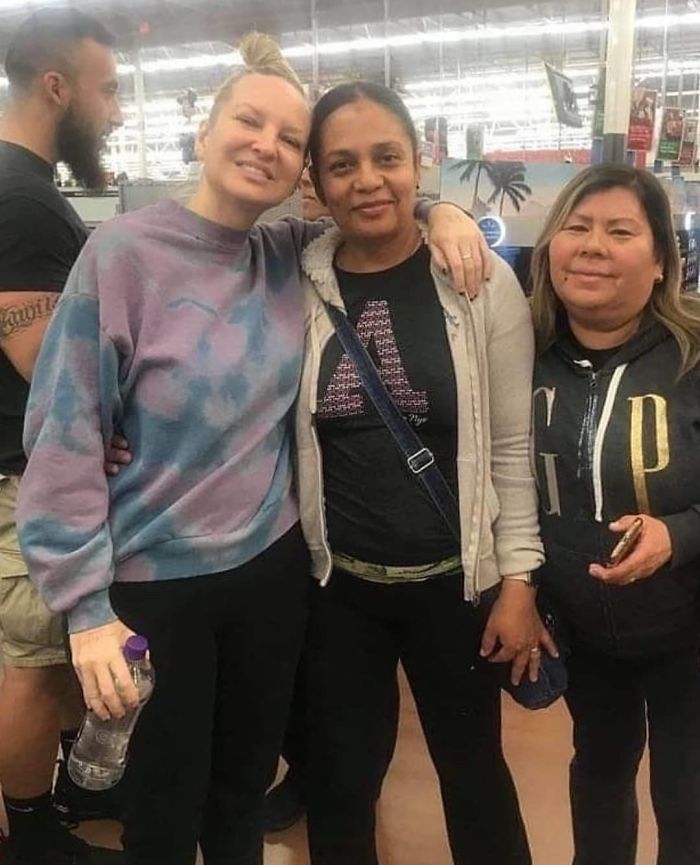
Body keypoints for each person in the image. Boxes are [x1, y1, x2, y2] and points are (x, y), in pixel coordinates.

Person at [16, 33, 487, 865]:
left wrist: (440, 210)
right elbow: (65, 432)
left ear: (301, 170)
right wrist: (84, 608)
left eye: (289, 137)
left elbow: (374, 210)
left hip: (271, 574)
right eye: (248, 122)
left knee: (240, 792)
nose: (266, 144)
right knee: (163, 810)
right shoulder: (121, 255)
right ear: (206, 133)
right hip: (153, 585)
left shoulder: (289, 257)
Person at [294, 81, 551, 865]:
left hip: (455, 586)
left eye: (387, 158)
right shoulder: (295, 282)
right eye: (342, 165)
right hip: (339, 590)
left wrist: (519, 579)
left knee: (474, 775)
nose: (367, 180)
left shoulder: (478, 279)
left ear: (418, 163)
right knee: (341, 784)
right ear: (316, 181)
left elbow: (511, 444)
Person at [530, 163, 700, 865]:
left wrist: (678, 534)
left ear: (660, 262)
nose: (594, 246)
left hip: (688, 633)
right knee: (598, 775)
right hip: (584, 633)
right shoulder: (522, 353)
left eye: (621, 231)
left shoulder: (692, 356)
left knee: (687, 798)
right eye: (577, 227)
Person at [0, 8, 123, 864]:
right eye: (106, 91)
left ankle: (71, 791)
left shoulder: (23, 189)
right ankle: (32, 828)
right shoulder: (24, 200)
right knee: (36, 662)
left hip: (25, 467)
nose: (114, 112)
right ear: (56, 88)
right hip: (25, 475)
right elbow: (47, 366)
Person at [263, 165, 331, 834]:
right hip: (278, 512)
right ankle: (305, 771)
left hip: (343, 511)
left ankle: (320, 778)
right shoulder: (281, 253)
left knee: (327, 674)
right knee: (290, 668)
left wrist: (445, 215)